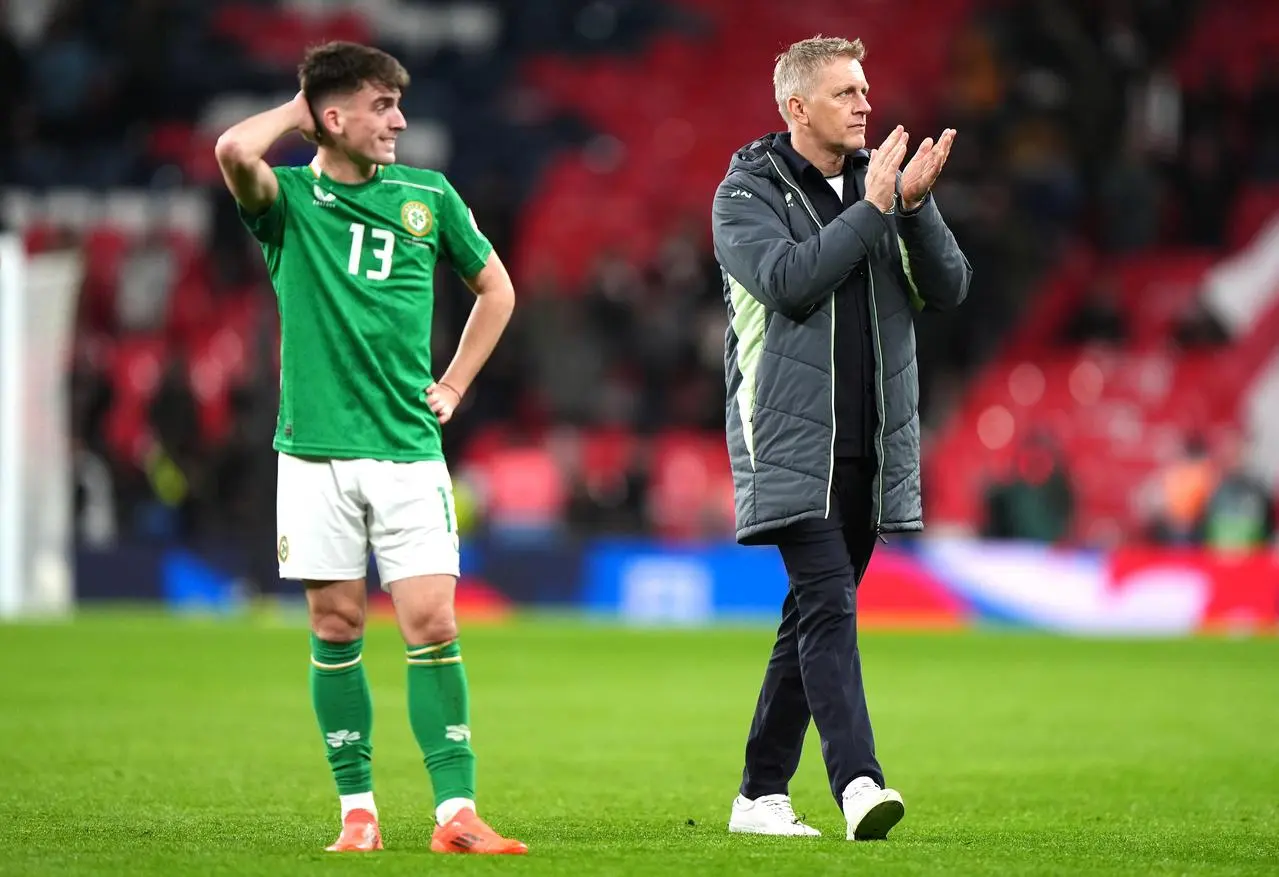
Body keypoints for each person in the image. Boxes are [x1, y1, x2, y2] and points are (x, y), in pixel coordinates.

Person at [214, 42, 525, 855]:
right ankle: (358, 813)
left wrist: (453, 383)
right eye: (380, 105)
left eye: (397, 104)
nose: (398, 120)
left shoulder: (429, 195)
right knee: (338, 623)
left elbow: (496, 288)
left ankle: (455, 812)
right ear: (334, 116)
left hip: (407, 448)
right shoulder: (283, 201)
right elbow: (231, 149)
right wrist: (300, 105)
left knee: (430, 618)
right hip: (313, 452)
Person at [711, 36, 972, 840]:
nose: (865, 104)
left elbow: (950, 288)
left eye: (864, 90)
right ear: (796, 108)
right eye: (845, 94)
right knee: (828, 604)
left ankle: (758, 793)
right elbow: (789, 282)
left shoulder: (881, 188)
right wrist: (877, 208)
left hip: (872, 444)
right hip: (787, 442)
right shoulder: (743, 194)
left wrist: (915, 207)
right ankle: (858, 782)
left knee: (811, 614)